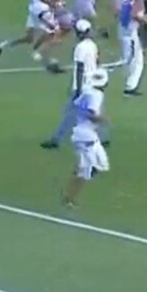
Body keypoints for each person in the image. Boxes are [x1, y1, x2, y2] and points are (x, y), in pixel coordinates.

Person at [42, 19, 103, 149]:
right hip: (92, 84)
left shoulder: (80, 48)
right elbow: (97, 62)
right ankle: (103, 137)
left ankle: (55, 140)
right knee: (91, 113)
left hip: (82, 86)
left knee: (70, 114)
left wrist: (78, 90)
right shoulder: (92, 45)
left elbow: (80, 68)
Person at [64, 69, 111, 208]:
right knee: (86, 171)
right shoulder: (96, 95)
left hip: (86, 134)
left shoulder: (87, 90)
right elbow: (91, 114)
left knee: (102, 165)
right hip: (85, 136)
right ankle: (69, 199)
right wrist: (103, 120)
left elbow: (76, 104)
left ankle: (81, 170)